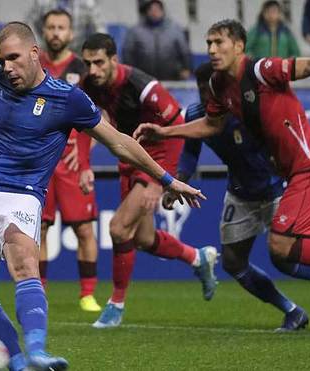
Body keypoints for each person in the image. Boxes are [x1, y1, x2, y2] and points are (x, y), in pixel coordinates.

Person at [0, 1, 205, 370]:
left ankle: (39, 351)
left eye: (13, 58)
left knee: (23, 261)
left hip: (22, 194)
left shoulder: (68, 98)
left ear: (34, 53)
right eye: (1, 59)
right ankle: (17, 364)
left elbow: (119, 142)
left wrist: (169, 179)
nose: (7, 67)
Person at [134, 19, 310, 337]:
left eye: (219, 42)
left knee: (282, 246)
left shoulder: (261, 70)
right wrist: (164, 131)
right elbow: (211, 126)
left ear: (239, 46)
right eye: (209, 43)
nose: (212, 49)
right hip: (296, 172)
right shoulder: (217, 85)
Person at [165, 62, 310, 332]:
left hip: (275, 188)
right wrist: (178, 183)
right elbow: (190, 155)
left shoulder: (244, 110)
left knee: (282, 258)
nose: (206, 96)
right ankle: (291, 311)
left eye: (210, 89)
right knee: (233, 262)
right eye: (201, 90)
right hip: (240, 193)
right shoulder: (196, 115)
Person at [80, 33, 218, 329]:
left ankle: (115, 305)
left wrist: (161, 179)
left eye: (99, 62)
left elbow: (177, 123)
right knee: (142, 238)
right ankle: (198, 258)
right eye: (88, 63)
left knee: (118, 228)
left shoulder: (143, 87)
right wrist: (83, 165)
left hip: (155, 157)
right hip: (129, 155)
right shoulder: (89, 84)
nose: (93, 70)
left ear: (114, 60)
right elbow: (79, 121)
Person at [38, 8, 101, 312]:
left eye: (61, 27)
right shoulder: (32, 64)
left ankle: (87, 294)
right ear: (44, 31)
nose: (56, 33)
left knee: (85, 229)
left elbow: (96, 119)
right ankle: (40, 292)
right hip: (40, 161)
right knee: (39, 228)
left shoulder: (83, 69)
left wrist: (86, 162)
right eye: (51, 27)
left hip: (73, 163)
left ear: (71, 33)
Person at [122, 0, 191, 80]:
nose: (154, 12)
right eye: (151, 9)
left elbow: (184, 51)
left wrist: (186, 68)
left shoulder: (175, 29)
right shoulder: (135, 31)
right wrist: (130, 72)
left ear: (162, 11)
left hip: (172, 79)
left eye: (157, 9)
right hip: (143, 80)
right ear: (146, 11)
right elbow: (127, 52)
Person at [26, 0, 106, 53]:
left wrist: (95, 49)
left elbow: (99, 28)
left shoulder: (87, 3)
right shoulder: (42, 2)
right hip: (48, 50)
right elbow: (29, 24)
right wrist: (38, 45)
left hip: (78, 51)